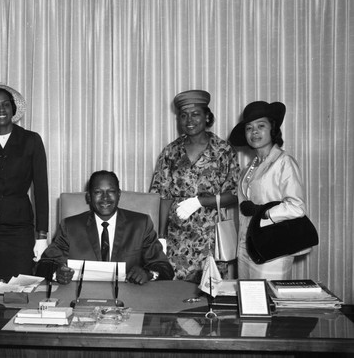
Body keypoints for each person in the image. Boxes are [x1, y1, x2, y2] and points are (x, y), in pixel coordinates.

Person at [150, 90, 240, 282]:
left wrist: (202, 201)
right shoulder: (171, 152)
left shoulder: (223, 150)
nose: (189, 120)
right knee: (173, 294)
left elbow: (235, 194)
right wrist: (161, 236)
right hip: (176, 239)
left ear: (207, 116)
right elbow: (163, 197)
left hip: (210, 238)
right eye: (184, 115)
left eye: (195, 114)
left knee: (209, 293)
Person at [0, 83, 49, 279]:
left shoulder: (31, 140)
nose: (1, 109)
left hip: (19, 228)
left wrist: (42, 235)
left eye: (5, 104)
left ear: (13, 109)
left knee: (19, 287)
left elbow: (41, 189)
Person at [37, 170, 174, 284]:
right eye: (98, 192)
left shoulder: (140, 224)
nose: (105, 198)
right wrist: (57, 273)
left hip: (129, 299)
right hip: (82, 297)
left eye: (111, 191)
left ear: (119, 194)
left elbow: (164, 268)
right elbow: (44, 265)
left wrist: (148, 274)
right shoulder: (70, 226)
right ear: (89, 197)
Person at [229, 101, 306, 280]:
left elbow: (297, 207)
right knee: (247, 299)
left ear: (273, 128)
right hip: (246, 246)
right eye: (249, 128)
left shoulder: (284, 162)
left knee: (268, 300)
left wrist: (262, 211)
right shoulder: (249, 167)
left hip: (273, 246)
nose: (254, 132)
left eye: (260, 126)